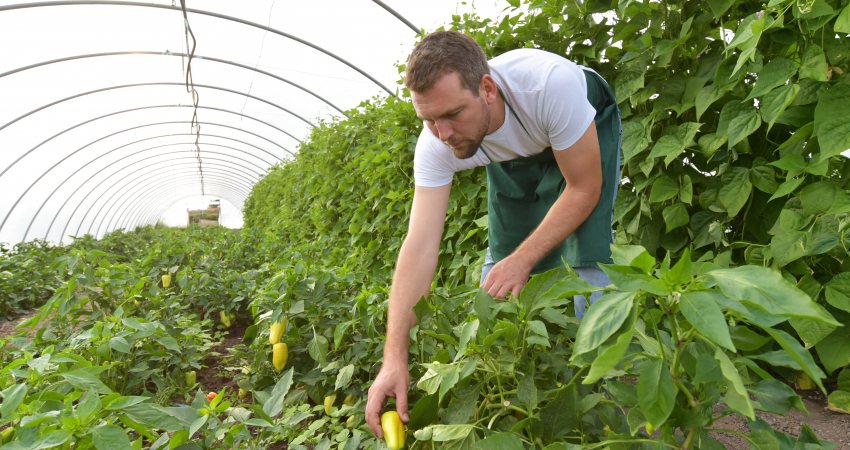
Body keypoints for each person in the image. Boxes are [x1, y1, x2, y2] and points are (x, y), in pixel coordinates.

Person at [364, 30, 622, 438]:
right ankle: (523, 401)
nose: (443, 133)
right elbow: (420, 245)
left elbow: (583, 189)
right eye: (429, 119)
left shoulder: (549, 87)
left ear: (487, 89)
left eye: (451, 114)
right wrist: (393, 358)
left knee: (586, 260)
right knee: (500, 273)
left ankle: (604, 412)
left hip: (577, 131)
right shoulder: (438, 141)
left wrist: (525, 260)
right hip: (511, 149)